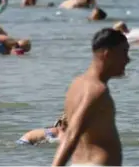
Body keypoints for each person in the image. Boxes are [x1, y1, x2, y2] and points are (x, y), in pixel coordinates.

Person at [52, 28, 129, 166]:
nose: (127, 60)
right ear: (107, 54)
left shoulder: (76, 84)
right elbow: (72, 134)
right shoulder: (97, 90)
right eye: (124, 52)